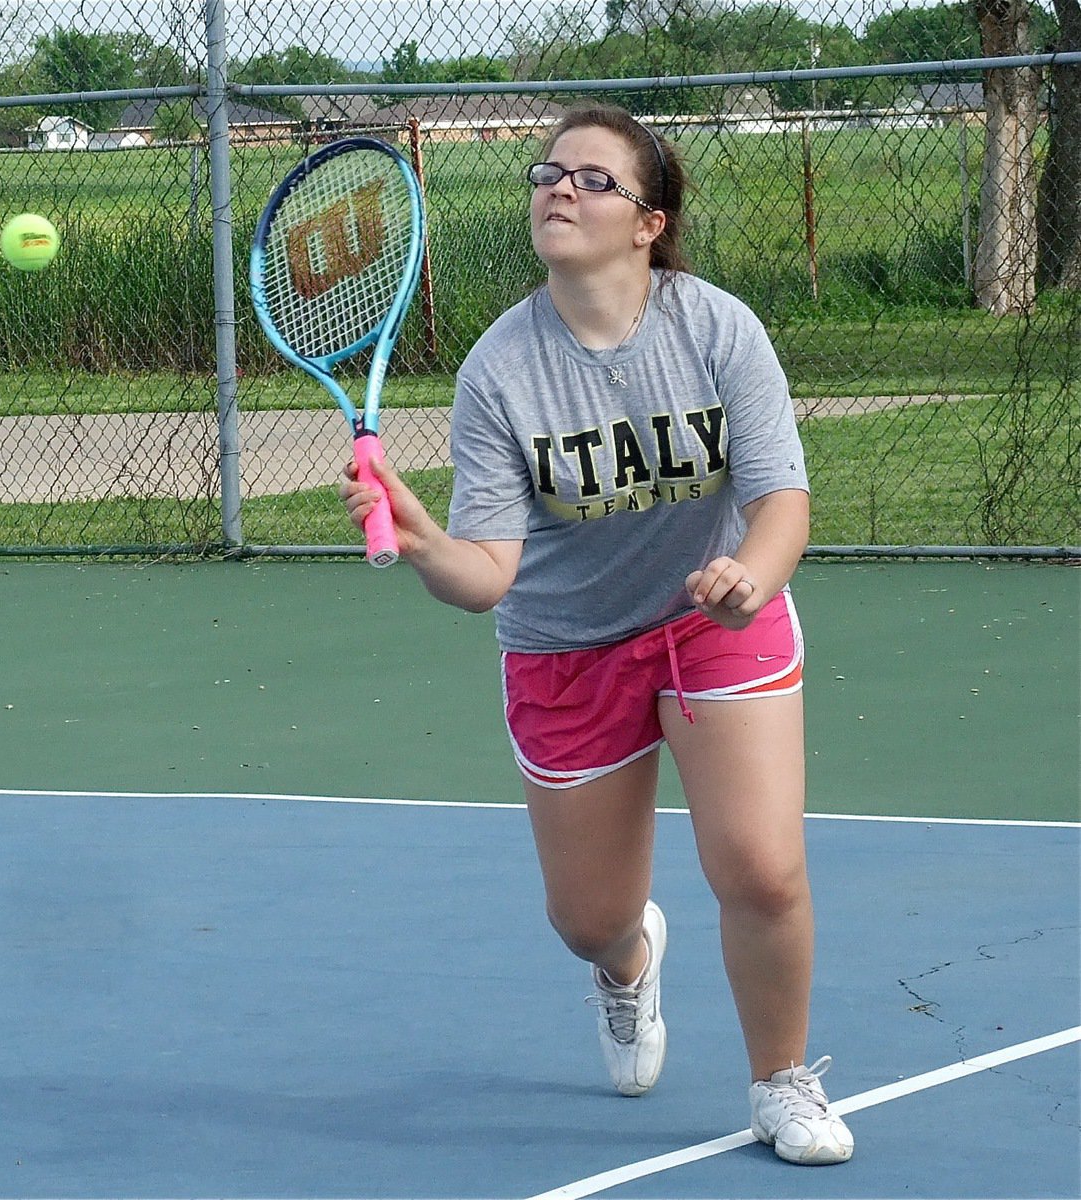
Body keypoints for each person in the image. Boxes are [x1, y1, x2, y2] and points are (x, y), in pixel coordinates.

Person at [340, 103, 854, 1166]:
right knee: (585, 918)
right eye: (547, 173)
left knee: (761, 870)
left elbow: (781, 501)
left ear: (648, 224)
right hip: (565, 644)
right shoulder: (498, 370)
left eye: (591, 178)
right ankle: (626, 964)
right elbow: (486, 577)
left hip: (712, 620)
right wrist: (427, 541)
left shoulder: (716, 328)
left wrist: (749, 581)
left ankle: (782, 1083)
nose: (558, 188)